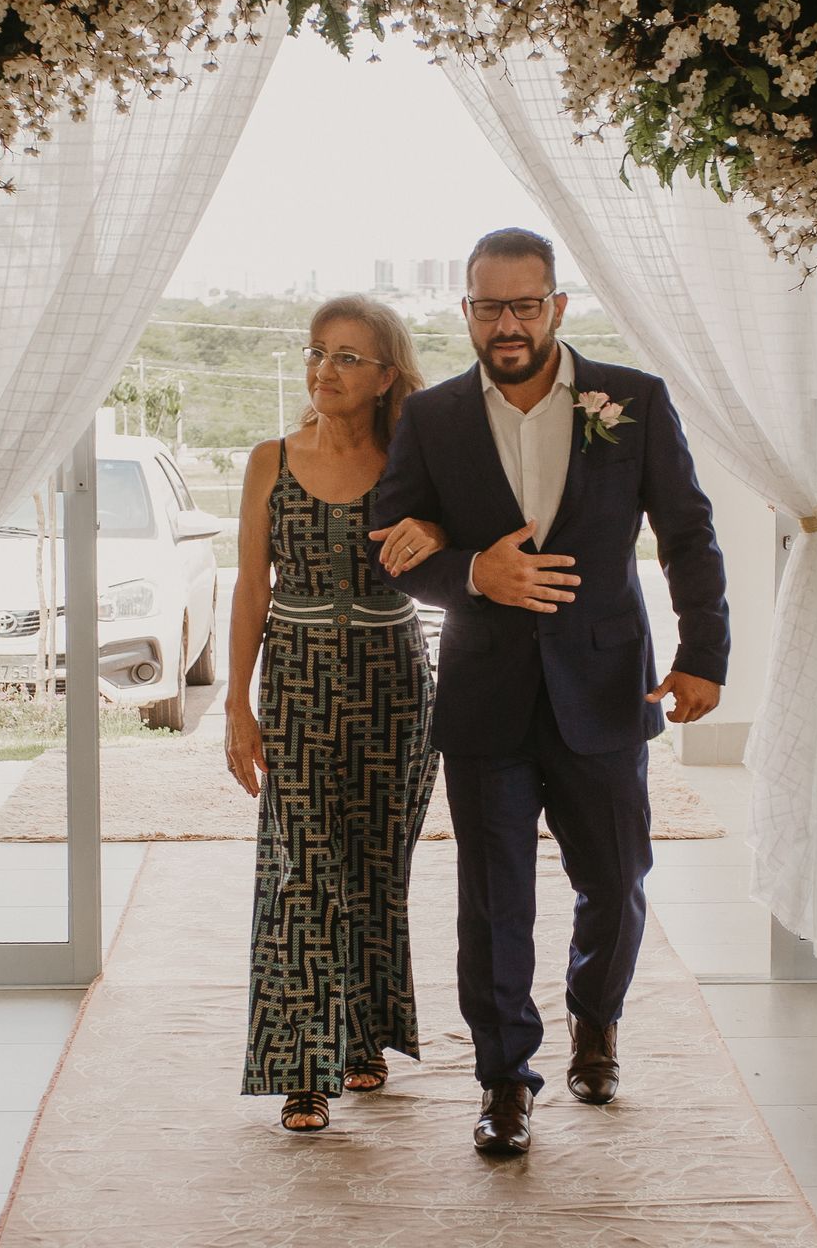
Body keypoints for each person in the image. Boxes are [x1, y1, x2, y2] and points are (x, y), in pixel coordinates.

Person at [367, 227, 730, 1156]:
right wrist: (471, 574)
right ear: (467, 314)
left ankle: (596, 1017)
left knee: (615, 878)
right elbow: (396, 543)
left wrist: (704, 656)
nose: (508, 323)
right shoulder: (434, 417)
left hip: (609, 684)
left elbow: (688, 532)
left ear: (558, 306)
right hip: (487, 693)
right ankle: (503, 1080)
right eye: (489, 307)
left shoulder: (633, 401)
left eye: (526, 304)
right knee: (495, 901)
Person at [226, 294, 444, 1133]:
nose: (326, 368)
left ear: (387, 373)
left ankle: (362, 1035)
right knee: (304, 872)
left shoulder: (411, 462)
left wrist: (429, 522)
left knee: (376, 868)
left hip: (395, 680)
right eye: (319, 351)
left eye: (349, 356)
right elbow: (252, 588)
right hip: (299, 682)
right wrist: (238, 710)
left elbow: (456, 547)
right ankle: (301, 1066)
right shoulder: (268, 459)